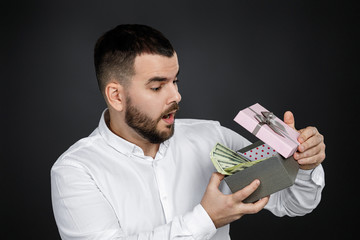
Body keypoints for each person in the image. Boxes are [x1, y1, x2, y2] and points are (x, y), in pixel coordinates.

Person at [51, 24, 326, 240]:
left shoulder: (213, 137)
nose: (177, 96)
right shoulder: (75, 170)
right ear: (116, 96)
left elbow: (293, 203)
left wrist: (303, 164)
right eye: (158, 87)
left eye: (176, 81)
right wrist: (206, 219)